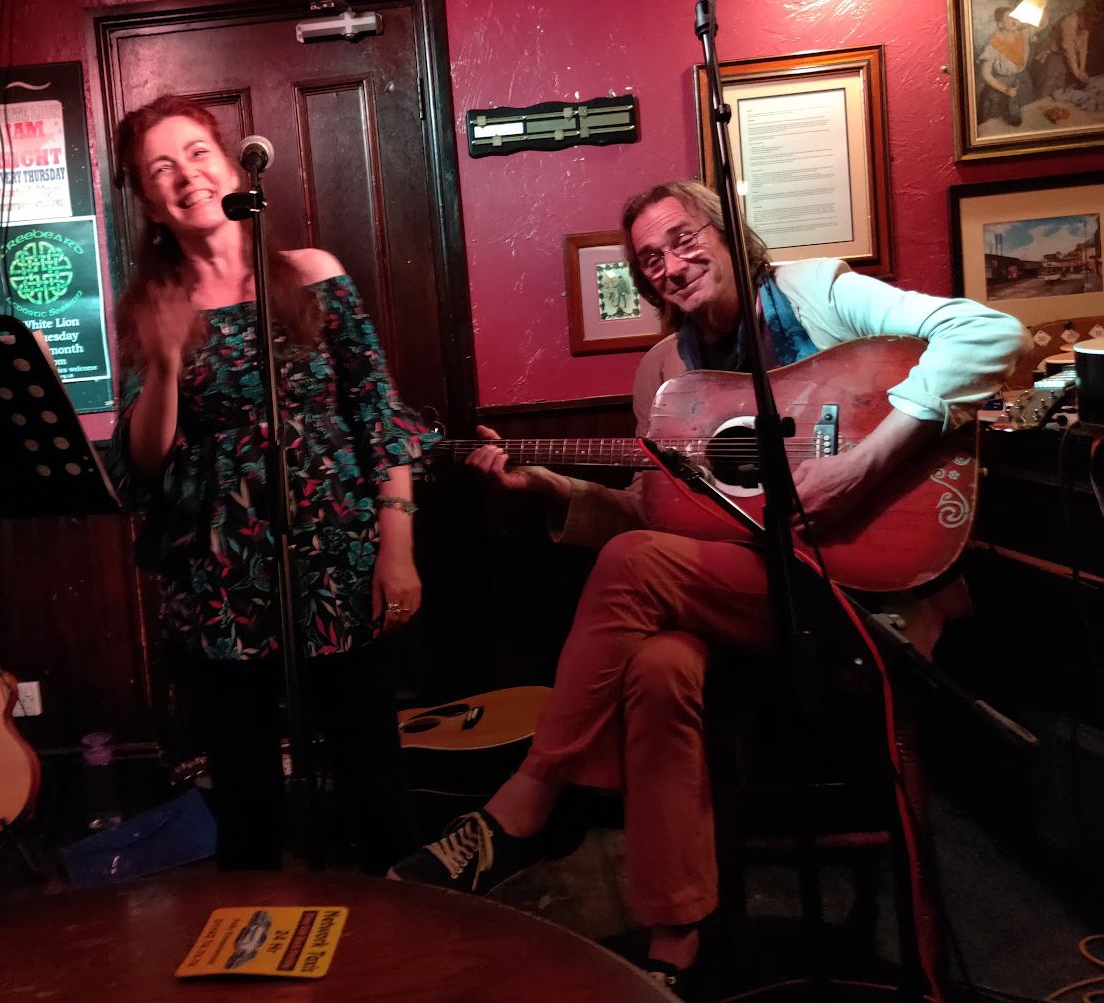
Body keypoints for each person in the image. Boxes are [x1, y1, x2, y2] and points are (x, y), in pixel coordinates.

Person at [389, 179, 1028, 988]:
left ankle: (533, 797)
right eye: (649, 258)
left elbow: (990, 331)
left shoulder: (818, 294)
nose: (671, 264)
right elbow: (649, 515)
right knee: (658, 665)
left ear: (726, 232)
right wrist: (546, 486)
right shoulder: (663, 371)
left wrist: (861, 462)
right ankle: (674, 947)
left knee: (635, 569)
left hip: (848, 595)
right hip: (735, 594)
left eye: (684, 238)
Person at [106, 94, 436, 872]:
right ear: (148, 201)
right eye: (160, 168)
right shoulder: (152, 306)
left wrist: (397, 549)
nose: (185, 174)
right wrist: (165, 363)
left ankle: (405, 933)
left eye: (196, 153)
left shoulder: (314, 274)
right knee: (246, 804)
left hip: (337, 561)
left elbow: (378, 414)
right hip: (217, 580)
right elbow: (146, 459)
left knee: (373, 781)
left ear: (230, 165)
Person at [978, 6, 1038, 126]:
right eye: (1009, 17)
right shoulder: (994, 44)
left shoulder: (1023, 34)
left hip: (1023, 82)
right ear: (1000, 24)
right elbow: (985, 74)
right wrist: (1005, 90)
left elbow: (1043, 22)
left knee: (1028, 117)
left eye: (1015, 16)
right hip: (1002, 85)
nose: (1013, 19)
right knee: (1002, 122)